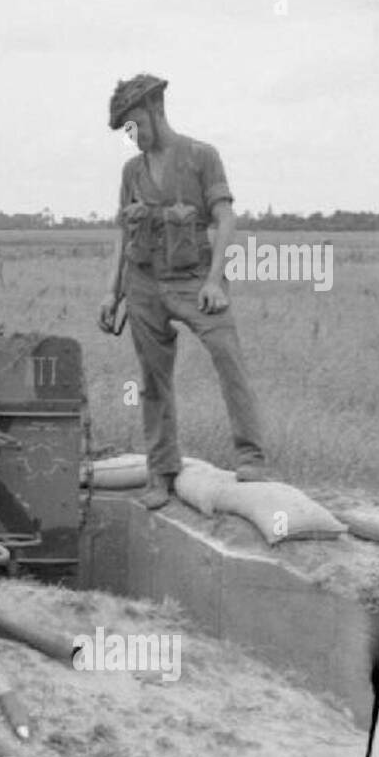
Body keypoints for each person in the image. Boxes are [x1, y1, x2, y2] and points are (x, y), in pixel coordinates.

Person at [98, 73, 269, 509]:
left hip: (193, 279)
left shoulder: (201, 156)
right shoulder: (131, 172)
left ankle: (250, 457)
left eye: (136, 124)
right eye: (126, 131)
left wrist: (214, 281)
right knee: (152, 381)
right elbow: (122, 231)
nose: (133, 136)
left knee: (228, 358)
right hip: (142, 284)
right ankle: (162, 472)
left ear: (156, 109)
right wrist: (111, 292)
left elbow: (225, 219)